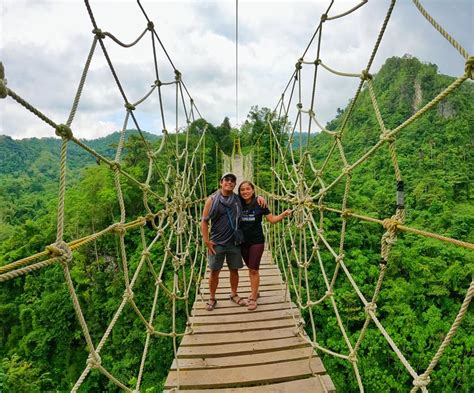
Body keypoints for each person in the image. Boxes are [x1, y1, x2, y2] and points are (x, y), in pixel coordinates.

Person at [201, 172, 262, 311]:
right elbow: (204, 222)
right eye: (226, 179)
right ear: (221, 182)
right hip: (216, 243)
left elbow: (249, 198)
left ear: (234, 184)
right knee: (214, 271)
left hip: (234, 242)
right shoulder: (211, 200)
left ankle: (234, 294)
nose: (229, 182)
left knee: (234, 270)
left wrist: (260, 198)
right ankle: (212, 298)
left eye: (232, 180)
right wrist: (206, 241)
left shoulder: (237, 199)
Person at [238, 180, 291, 311]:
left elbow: (272, 220)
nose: (245, 192)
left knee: (254, 269)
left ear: (253, 190)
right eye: (242, 190)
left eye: (248, 189)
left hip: (257, 241)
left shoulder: (260, 203)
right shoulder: (236, 202)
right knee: (250, 268)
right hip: (242, 242)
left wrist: (283, 214)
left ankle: (253, 297)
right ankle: (255, 291)